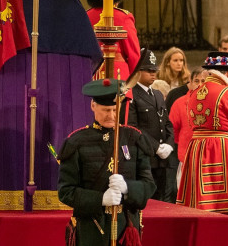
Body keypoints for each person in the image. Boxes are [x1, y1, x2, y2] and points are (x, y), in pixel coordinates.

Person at [57, 78, 156, 245]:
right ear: (93, 106)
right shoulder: (76, 142)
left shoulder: (134, 138)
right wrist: (101, 199)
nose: (111, 116)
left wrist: (128, 188)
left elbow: (149, 185)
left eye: (114, 109)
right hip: (91, 230)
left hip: (127, 229)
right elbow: (66, 192)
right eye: (105, 110)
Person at [176, 51, 228, 213]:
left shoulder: (194, 93)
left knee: (201, 204)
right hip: (223, 151)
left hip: (197, 150)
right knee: (226, 207)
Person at [124, 48, 177, 202]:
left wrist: (169, 144)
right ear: (137, 71)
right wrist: (156, 148)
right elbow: (133, 127)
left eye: (154, 70)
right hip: (145, 157)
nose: (153, 73)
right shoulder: (130, 94)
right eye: (148, 70)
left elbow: (167, 123)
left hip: (163, 160)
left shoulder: (158, 94)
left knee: (162, 199)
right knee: (147, 201)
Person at [169, 67, 207, 189]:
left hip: (208, 161)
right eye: (196, 81)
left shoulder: (213, 102)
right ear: (189, 83)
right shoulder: (179, 103)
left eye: (203, 81)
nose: (200, 85)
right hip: (185, 160)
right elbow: (172, 130)